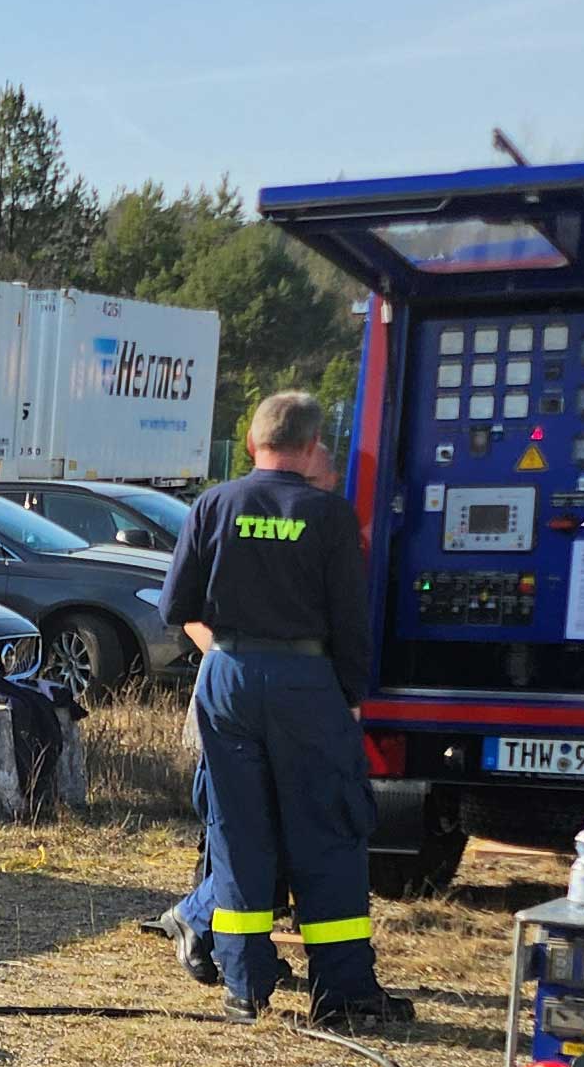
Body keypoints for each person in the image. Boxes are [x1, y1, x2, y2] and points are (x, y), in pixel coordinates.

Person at [162, 392, 410, 1028]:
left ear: (252, 443)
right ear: (310, 445)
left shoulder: (213, 504)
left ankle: (244, 987)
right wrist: (350, 697)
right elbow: (351, 621)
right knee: (327, 831)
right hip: (306, 681)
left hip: (228, 676)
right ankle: (343, 991)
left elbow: (176, 606)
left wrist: (233, 657)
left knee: (237, 831)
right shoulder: (327, 514)